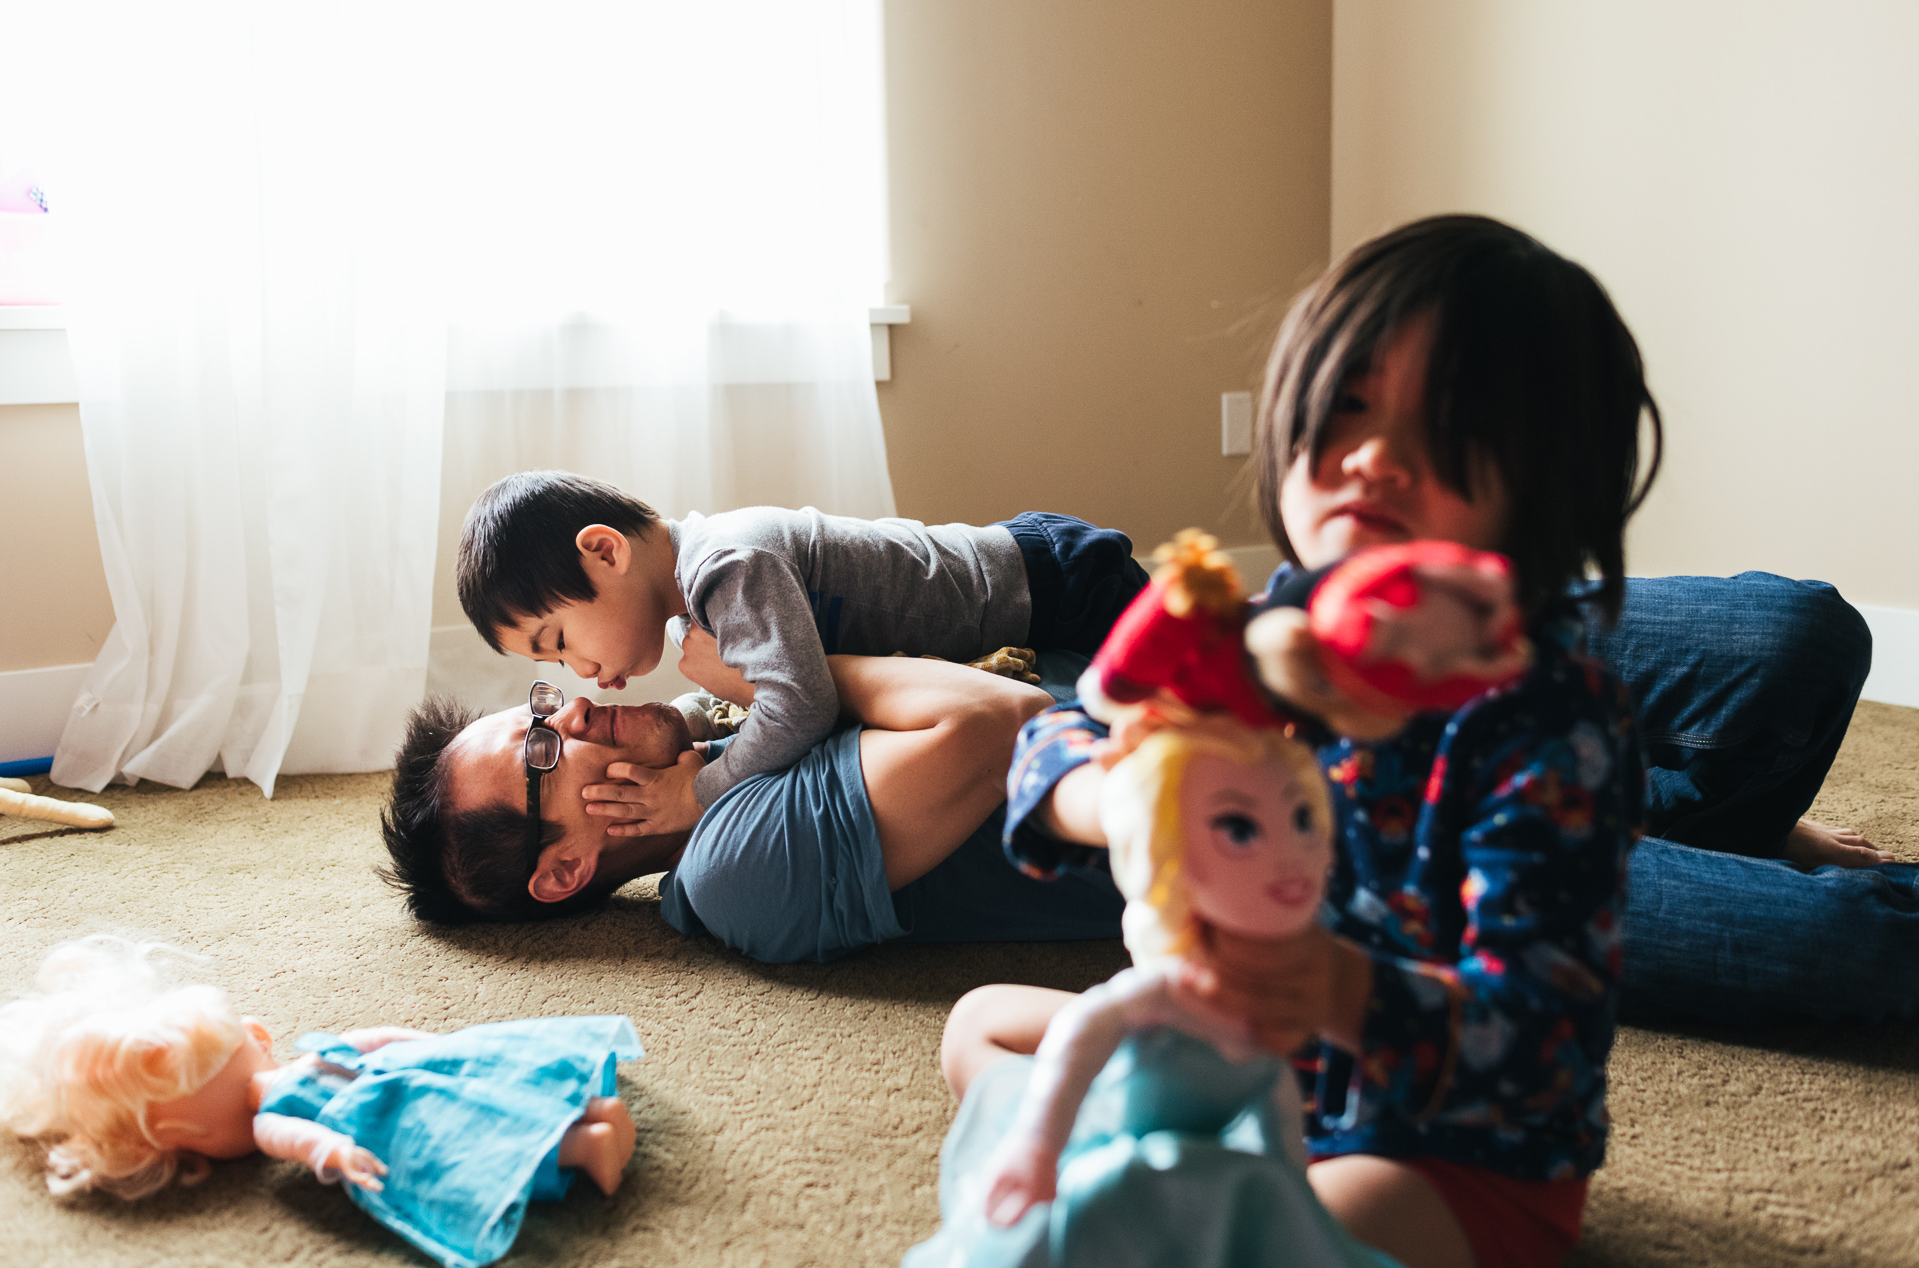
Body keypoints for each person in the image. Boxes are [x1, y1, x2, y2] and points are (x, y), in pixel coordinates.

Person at [954, 214, 1919, 1268]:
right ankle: (1147, 1193)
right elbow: (1058, 741)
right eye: (1347, 407)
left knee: (1297, 1219)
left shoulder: (1550, 719)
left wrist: (1332, 991)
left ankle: (1163, 1206)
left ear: (1541, 491)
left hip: (1440, 1140)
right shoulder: (1241, 626)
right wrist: (1110, 794)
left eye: (1445, 432)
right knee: (981, 1029)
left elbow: (1529, 1043)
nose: (1370, 457)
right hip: (1246, 1064)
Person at [906, 718, 1399, 1268]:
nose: (1289, 858)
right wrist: (1125, 801)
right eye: (1239, 829)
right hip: (1185, 1036)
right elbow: (1052, 737)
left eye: (1305, 822)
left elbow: (1279, 1117)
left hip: (1383, 1107)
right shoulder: (1239, 678)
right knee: (978, 1021)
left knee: (1281, 1226)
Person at [453, 472, 1149, 831]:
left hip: (1054, 581)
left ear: (605, 552)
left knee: (1199, 689)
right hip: (1029, 599)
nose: (577, 671)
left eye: (561, 639)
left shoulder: (729, 564)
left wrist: (698, 793)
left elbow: (801, 702)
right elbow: (747, 688)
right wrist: (694, 715)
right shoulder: (689, 619)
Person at [378, 637, 1127, 963]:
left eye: (539, 709)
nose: (570, 711)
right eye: (542, 751)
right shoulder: (735, 868)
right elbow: (1003, 723)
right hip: (1193, 768)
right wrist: (776, 674)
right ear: (567, 865)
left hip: (1139, 656)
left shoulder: (702, 748)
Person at [0, 936, 642, 1268]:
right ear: (253, 1036)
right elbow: (368, 1043)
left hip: (392, 1123)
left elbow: (300, 1142)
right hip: (401, 1076)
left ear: (179, 1133)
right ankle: (586, 1126)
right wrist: (438, 1048)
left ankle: (584, 1145)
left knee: (469, 1144)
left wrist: (336, 1150)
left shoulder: (272, 1118)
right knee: (483, 1100)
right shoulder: (300, 1067)